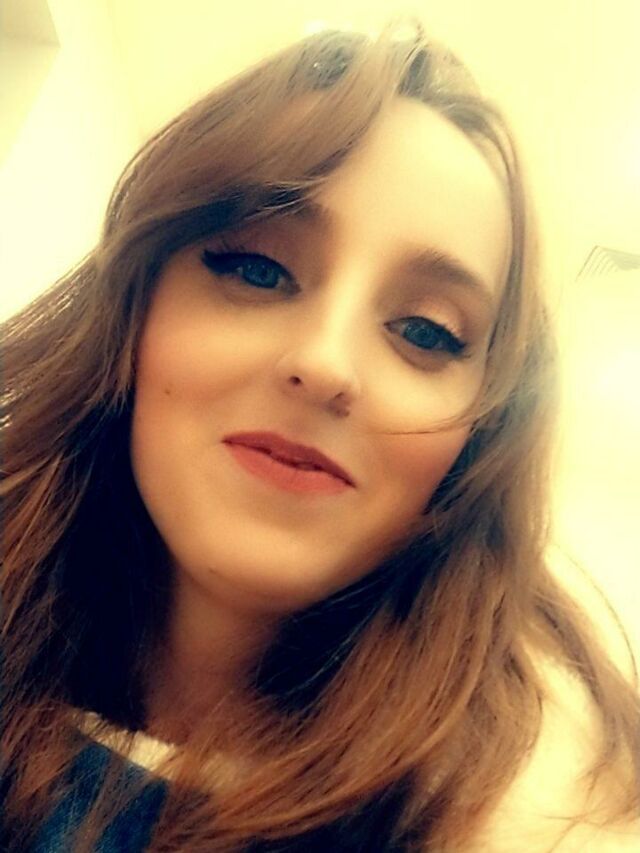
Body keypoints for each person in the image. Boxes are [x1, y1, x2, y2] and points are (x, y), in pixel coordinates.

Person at [1, 17, 639, 853]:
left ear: (478, 443)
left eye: (426, 331)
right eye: (258, 268)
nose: (327, 362)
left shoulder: (549, 822)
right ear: (133, 308)